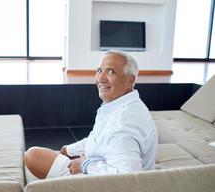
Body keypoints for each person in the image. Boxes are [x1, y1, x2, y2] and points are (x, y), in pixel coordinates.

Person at [24, 50, 158, 179]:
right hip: (99, 163)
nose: (100, 78)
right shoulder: (122, 105)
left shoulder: (123, 124)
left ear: (130, 80)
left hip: (102, 184)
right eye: (99, 70)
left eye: (111, 72)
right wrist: (70, 150)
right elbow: (99, 140)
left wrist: (85, 165)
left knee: (33, 156)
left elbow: (127, 177)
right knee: (38, 154)